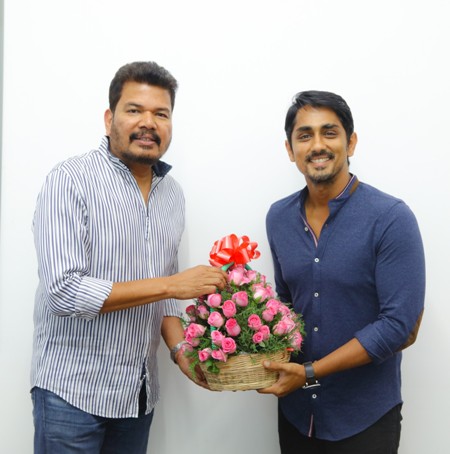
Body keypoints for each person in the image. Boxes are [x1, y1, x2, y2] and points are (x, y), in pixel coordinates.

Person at [30, 61, 227, 454]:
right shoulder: (70, 180)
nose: (148, 123)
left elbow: (167, 298)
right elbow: (64, 292)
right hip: (71, 393)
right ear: (109, 119)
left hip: (138, 395)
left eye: (161, 114)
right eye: (135, 110)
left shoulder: (173, 195)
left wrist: (182, 354)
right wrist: (172, 285)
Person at [260, 90, 425, 453]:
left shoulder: (391, 218)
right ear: (290, 149)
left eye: (329, 132)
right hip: (296, 415)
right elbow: (285, 306)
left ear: (351, 142)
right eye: (305, 135)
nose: (317, 145)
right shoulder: (278, 218)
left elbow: (398, 325)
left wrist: (310, 373)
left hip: (365, 417)